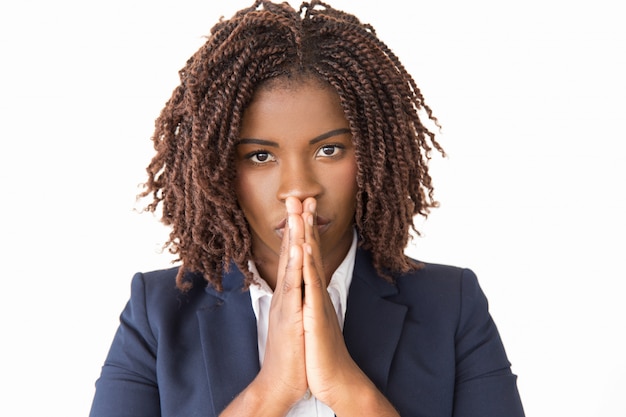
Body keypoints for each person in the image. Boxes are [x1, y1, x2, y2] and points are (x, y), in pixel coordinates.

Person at [90, 1, 525, 416]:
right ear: (218, 168)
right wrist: (271, 391)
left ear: (375, 155)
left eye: (330, 150)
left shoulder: (452, 305)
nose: (298, 188)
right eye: (260, 156)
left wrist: (346, 388)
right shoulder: (157, 313)